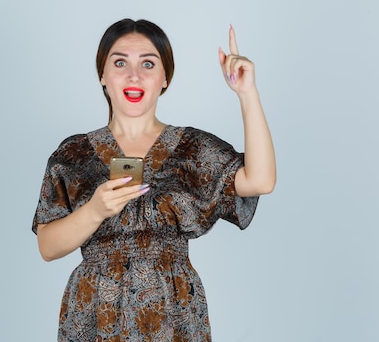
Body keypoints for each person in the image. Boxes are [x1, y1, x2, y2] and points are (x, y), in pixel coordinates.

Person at [32, 18, 276, 342]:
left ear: (164, 78)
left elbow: (260, 180)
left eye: (148, 63)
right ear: (103, 75)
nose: (134, 75)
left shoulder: (191, 148)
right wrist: (94, 210)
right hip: (95, 311)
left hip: (172, 310)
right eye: (120, 62)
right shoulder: (73, 154)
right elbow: (47, 247)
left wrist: (247, 93)